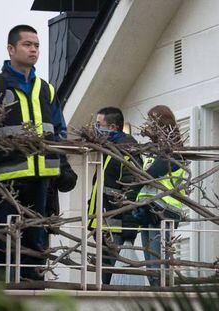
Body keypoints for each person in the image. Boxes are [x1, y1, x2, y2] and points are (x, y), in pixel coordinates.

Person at [0, 25, 67, 280]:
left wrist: (61, 165)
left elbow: (59, 129)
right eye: (27, 44)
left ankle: (33, 289)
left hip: (42, 178)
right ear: (11, 49)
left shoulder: (46, 89)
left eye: (37, 45)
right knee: (0, 241)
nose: (34, 50)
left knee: (36, 240)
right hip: (3, 181)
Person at [87, 107, 142, 285]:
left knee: (112, 279)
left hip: (116, 227)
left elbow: (132, 189)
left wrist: (128, 228)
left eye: (99, 124)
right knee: (105, 278)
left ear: (112, 128)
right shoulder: (108, 149)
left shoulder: (127, 150)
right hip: (104, 225)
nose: (95, 128)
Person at [133, 105, 187, 287]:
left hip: (165, 212)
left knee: (158, 265)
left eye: (151, 122)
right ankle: (156, 290)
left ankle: (161, 295)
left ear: (160, 123)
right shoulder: (154, 149)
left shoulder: (174, 150)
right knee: (151, 264)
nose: (147, 126)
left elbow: (152, 172)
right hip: (149, 210)